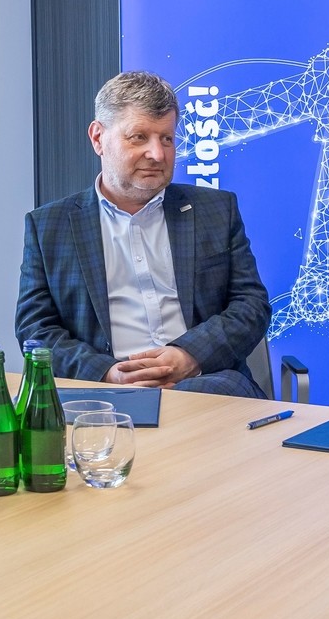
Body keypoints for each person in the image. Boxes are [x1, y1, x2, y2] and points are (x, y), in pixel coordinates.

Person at [16, 70, 272, 400]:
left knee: (207, 398)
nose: (158, 154)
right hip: (104, 396)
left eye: (166, 139)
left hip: (206, 383)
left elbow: (251, 306)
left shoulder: (217, 211)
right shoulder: (49, 226)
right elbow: (36, 330)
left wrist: (188, 355)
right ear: (98, 138)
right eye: (139, 137)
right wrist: (107, 374)